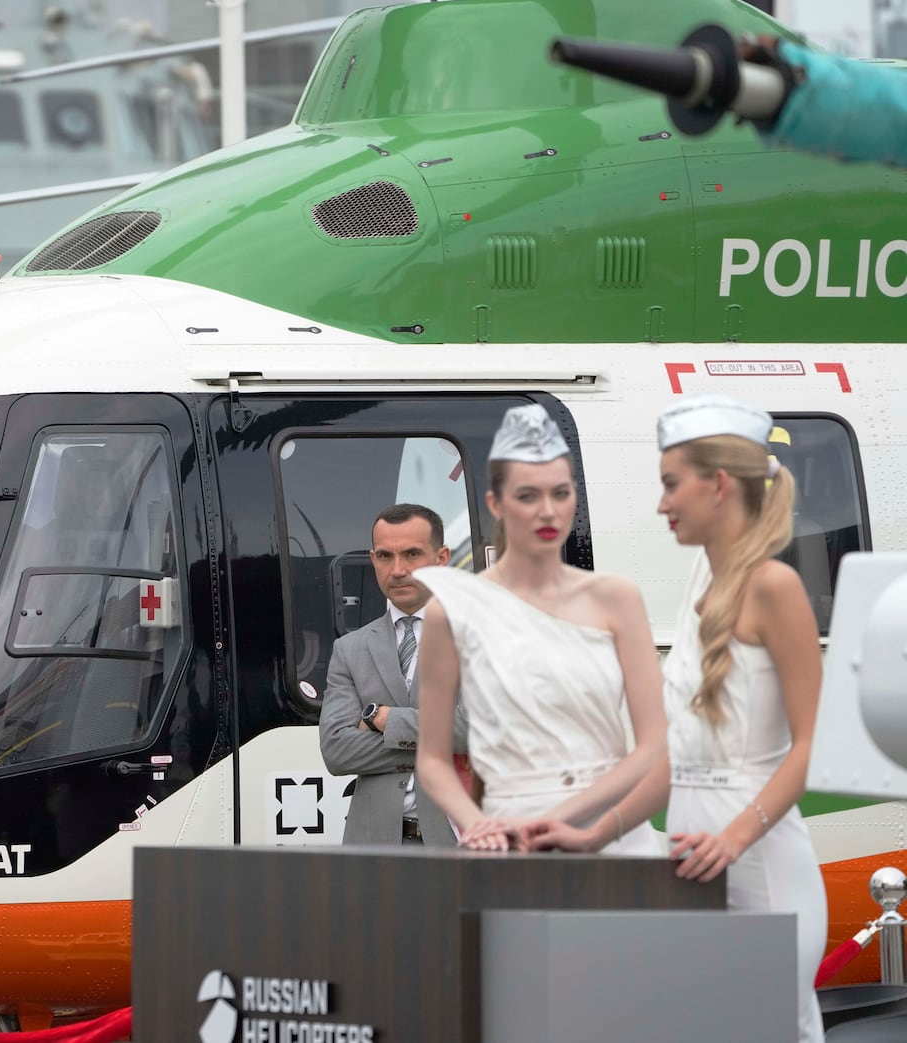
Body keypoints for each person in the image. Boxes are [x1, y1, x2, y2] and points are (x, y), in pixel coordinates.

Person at [526, 393, 826, 1042]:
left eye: (671, 484)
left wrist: (735, 839)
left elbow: (809, 747)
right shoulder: (699, 582)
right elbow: (678, 760)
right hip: (694, 868)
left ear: (719, 485)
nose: (661, 503)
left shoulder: (775, 587)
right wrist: (595, 831)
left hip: (761, 870)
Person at [413, 404, 667, 854]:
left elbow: (652, 746)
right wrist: (479, 825)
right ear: (495, 503)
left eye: (561, 493)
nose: (548, 511)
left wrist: (556, 820)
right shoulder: (451, 611)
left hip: (609, 833)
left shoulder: (616, 598)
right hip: (508, 836)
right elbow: (432, 760)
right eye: (528, 496)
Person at [319, 503, 466, 846]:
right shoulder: (350, 649)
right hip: (374, 850)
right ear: (373, 560)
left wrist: (385, 720)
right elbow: (337, 751)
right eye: (385, 556)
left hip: (459, 845)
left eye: (412, 554)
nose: (397, 570)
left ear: (442, 558)